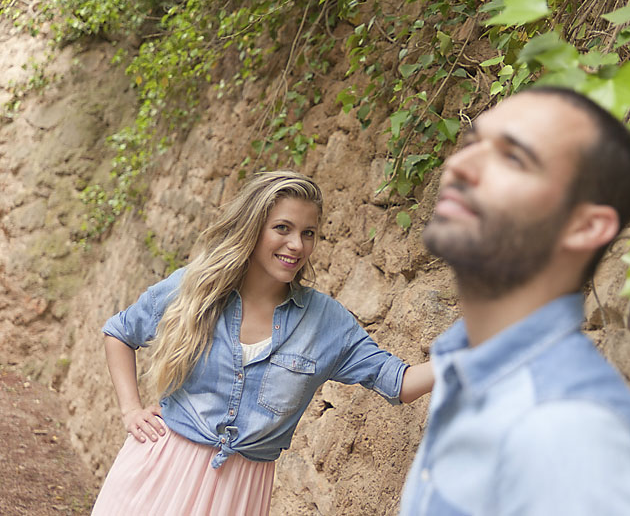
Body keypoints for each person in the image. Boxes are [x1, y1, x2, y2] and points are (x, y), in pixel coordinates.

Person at [92, 170, 434, 515]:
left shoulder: (327, 323)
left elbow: (399, 383)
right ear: (253, 228)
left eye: (308, 233)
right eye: (282, 228)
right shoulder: (196, 288)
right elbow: (120, 333)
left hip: (239, 493)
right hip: (160, 472)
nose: (297, 245)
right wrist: (130, 409)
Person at [399, 87, 630, 515]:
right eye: (472, 143)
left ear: (585, 226)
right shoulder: (465, 368)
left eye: (513, 158)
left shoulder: (563, 430)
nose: (458, 165)